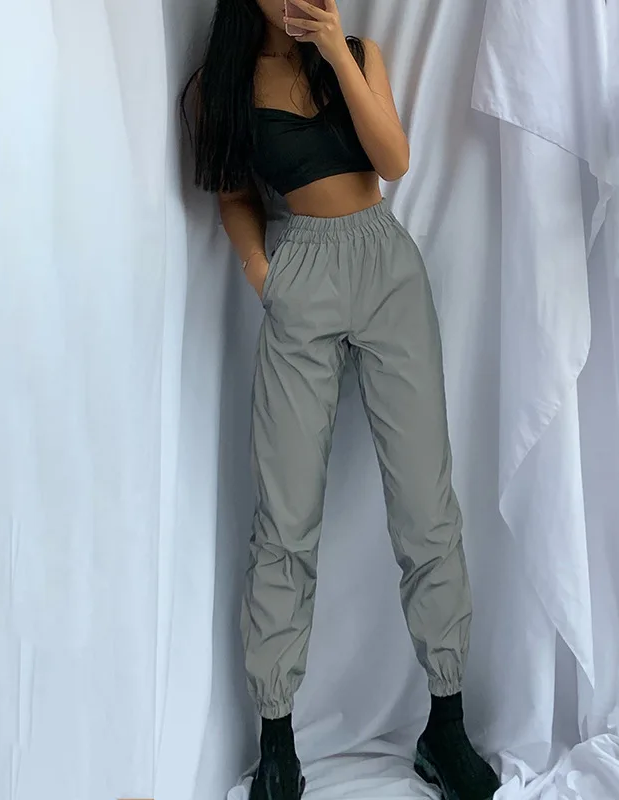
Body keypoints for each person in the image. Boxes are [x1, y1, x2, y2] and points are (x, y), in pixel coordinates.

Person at [183, 1, 501, 798]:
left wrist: (333, 49)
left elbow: (393, 159)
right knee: (285, 517)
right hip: (302, 278)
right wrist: (266, 277)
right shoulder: (222, 86)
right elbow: (233, 196)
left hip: (387, 268)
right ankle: (277, 738)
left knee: (426, 506)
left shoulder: (357, 53)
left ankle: (445, 724)